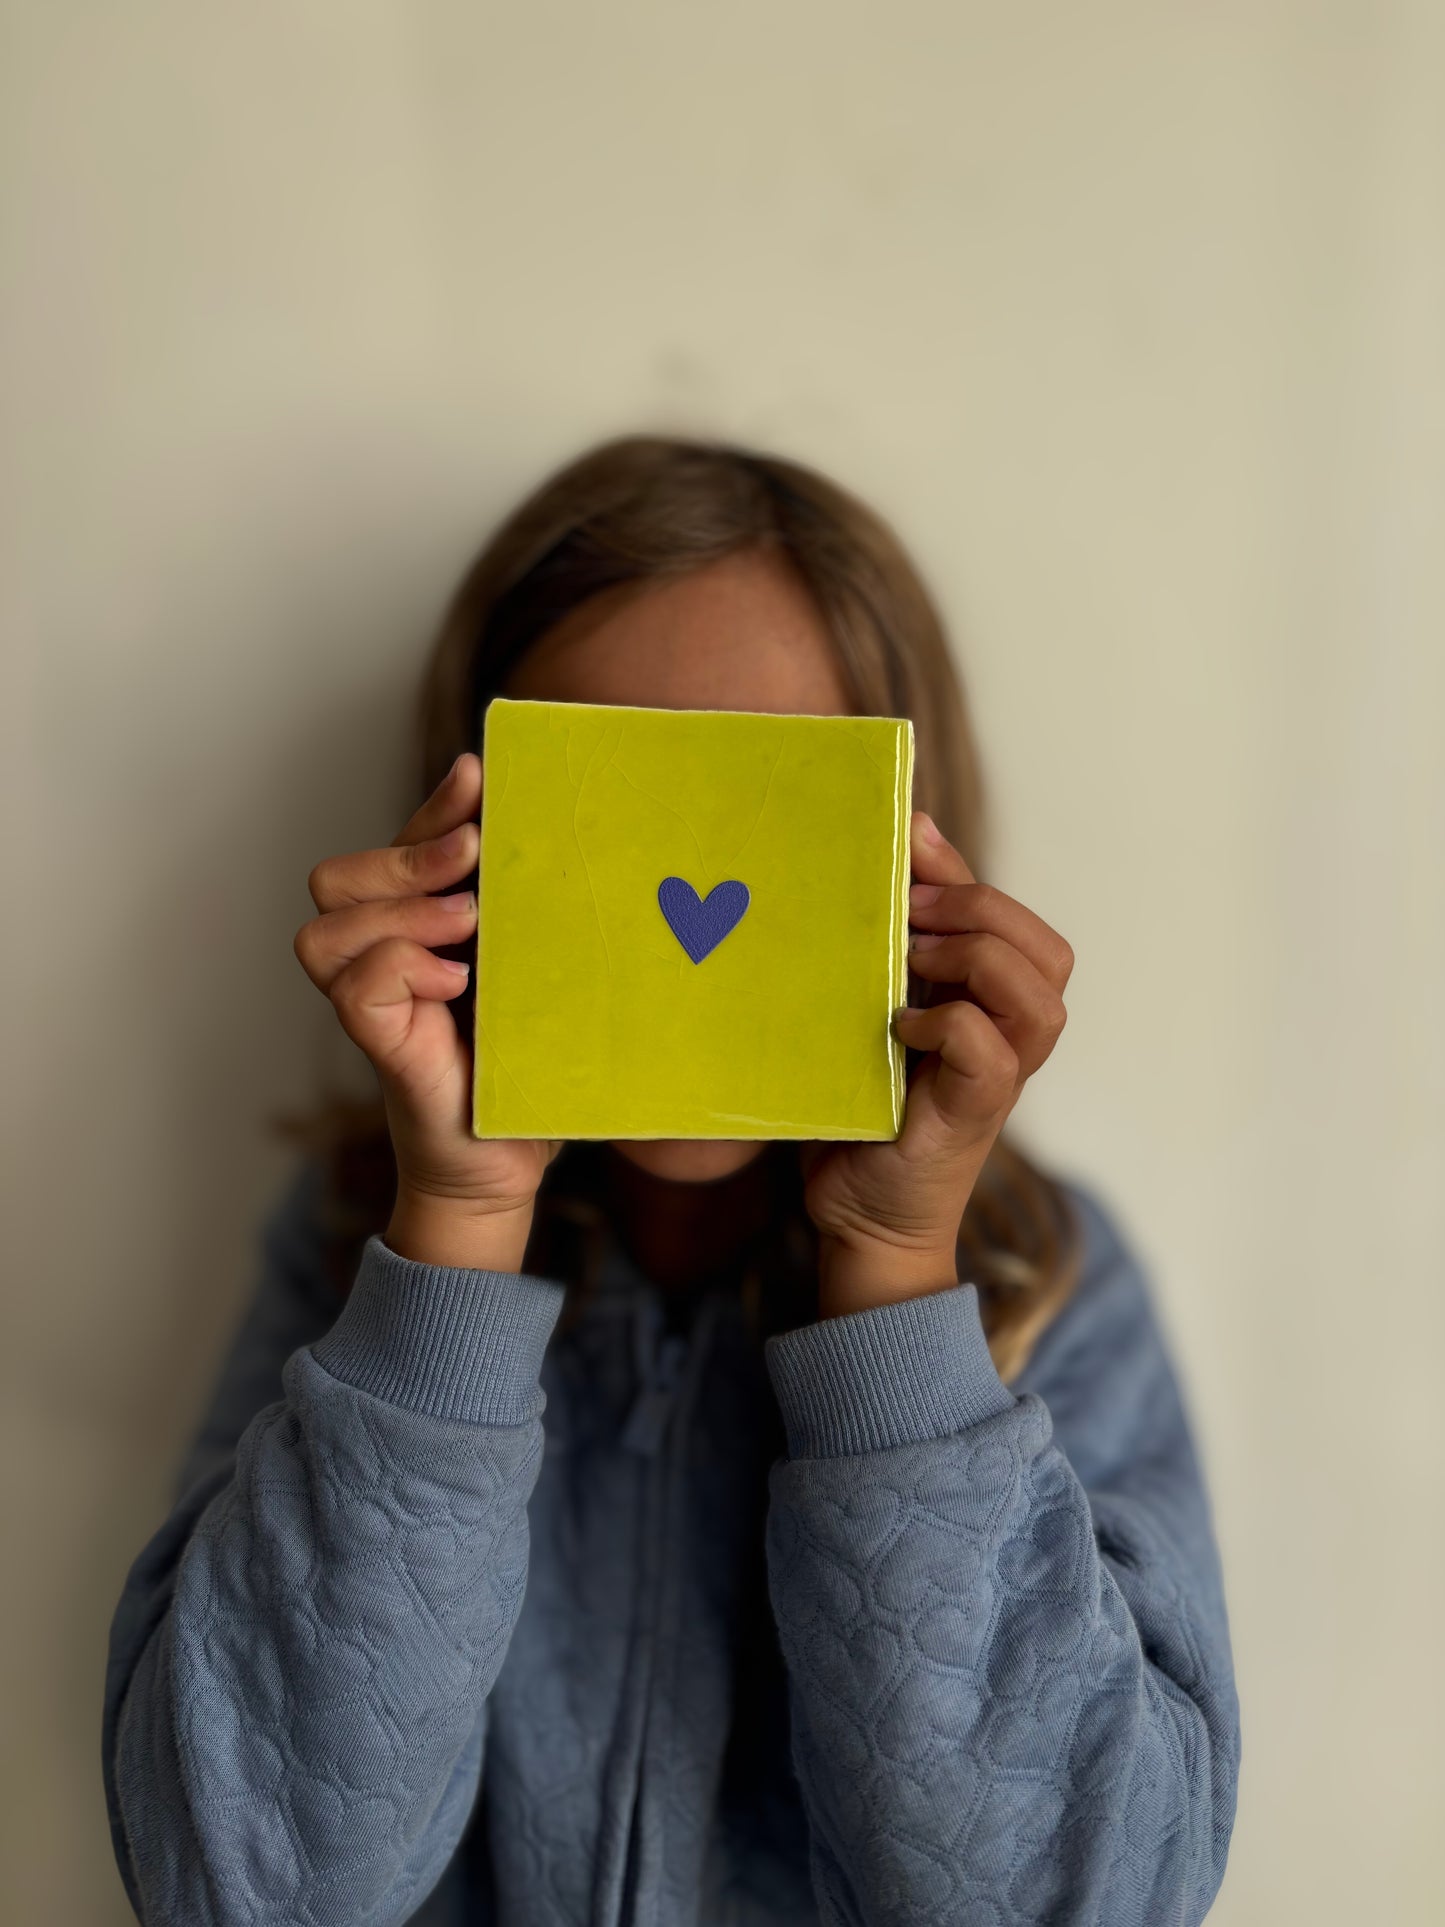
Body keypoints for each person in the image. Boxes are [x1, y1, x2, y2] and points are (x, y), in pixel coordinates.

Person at [102, 435, 1240, 1926]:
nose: (678, 915)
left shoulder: (1044, 1288)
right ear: (474, 843)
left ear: (912, 844)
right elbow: (236, 1890)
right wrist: (450, 1241)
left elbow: (1083, 1905)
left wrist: (897, 1277)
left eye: (773, 799)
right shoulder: (351, 1260)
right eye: (612, 803)